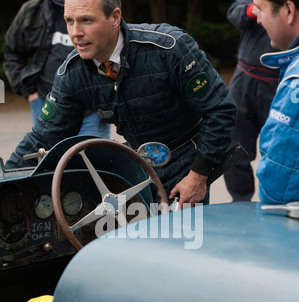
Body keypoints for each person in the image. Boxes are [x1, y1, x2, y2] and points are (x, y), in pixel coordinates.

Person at [5, 0, 237, 206]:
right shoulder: (72, 73)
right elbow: (43, 137)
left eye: (86, 20)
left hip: (187, 164)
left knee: (184, 249)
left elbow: (220, 109)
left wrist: (199, 175)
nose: (75, 32)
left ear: (115, 17)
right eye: (69, 21)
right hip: (134, 169)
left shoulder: (170, 48)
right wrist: (4, 178)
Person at [4, 0, 110, 138]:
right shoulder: (33, 11)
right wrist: (29, 92)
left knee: (93, 157)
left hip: (92, 109)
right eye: (69, 21)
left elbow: (113, 48)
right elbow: (12, 53)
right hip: (46, 103)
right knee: (50, 157)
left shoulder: (97, 4)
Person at [224, 0, 279, 201]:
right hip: (244, 75)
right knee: (233, 147)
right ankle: (240, 202)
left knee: (277, 150)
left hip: (279, 79)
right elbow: (233, 13)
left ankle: (274, 204)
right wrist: (254, 9)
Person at [254, 0, 299, 204]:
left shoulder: (296, 82)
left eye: (260, 8)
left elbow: (277, 189)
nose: (257, 17)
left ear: (289, 11)